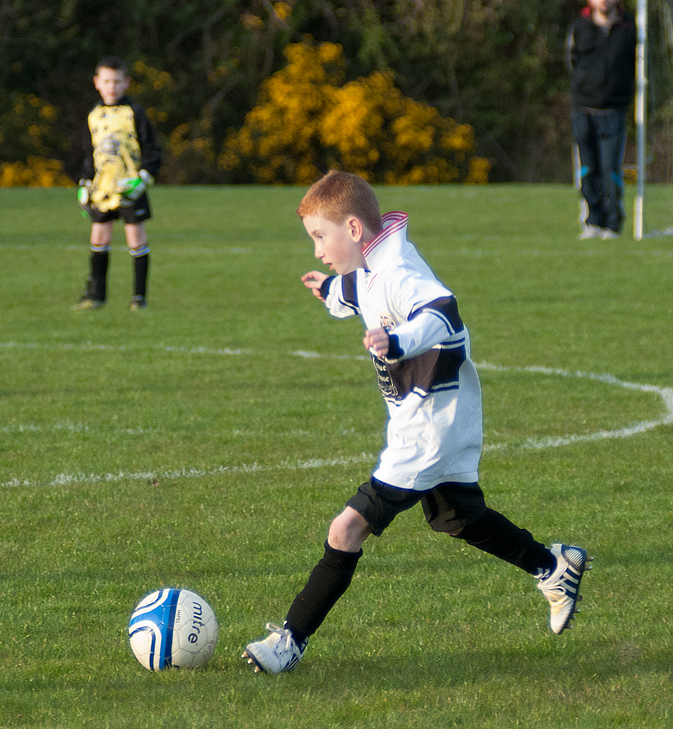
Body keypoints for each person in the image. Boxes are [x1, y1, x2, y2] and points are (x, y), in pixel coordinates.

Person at [242, 171, 592, 675]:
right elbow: (356, 290)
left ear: (355, 229)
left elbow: (442, 314)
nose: (317, 249)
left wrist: (399, 342)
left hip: (426, 433)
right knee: (458, 518)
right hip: (441, 421)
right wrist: (328, 290)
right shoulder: (371, 267)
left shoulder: (401, 271)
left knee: (346, 529)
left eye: (321, 237)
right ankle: (553, 567)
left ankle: (289, 642)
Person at [74, 56, 162, 310]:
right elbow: (90, 154)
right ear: (97, 83)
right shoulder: (93, 116)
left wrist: (143, 178)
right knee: (99, 238)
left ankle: (139, 298)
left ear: (126, 83)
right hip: (103, 190)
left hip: (130, 188)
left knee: (136, 240)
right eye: (106, 81)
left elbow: (152, 149)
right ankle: (96, 296)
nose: (111, 86)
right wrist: (84, 184)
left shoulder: (135, 113)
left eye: (116, 81)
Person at [567, 0, 636, 240]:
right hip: (583, 109)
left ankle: (612, 224)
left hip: (614, 110)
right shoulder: (579, 27)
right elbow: (572, 60)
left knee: (610, 169)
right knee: (589, 169)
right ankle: (593, 221)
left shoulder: (630, 28)